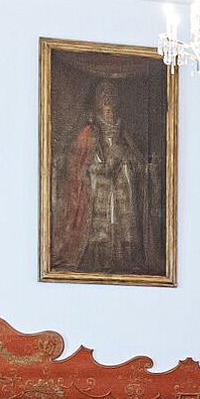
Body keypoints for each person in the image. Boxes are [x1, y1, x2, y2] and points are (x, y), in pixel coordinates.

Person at [55, 79, 156, 275]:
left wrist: (125, 160)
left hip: (121, 185)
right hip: (98, 184)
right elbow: (76, 163)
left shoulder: (125, 132)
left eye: (111, 94)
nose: (107, 99)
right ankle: (99, 259)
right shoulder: (89, 131)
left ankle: (126, 259)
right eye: (103, 94)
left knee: (123, 220)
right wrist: (97, 166)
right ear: (97, 101)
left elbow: (139, 161)